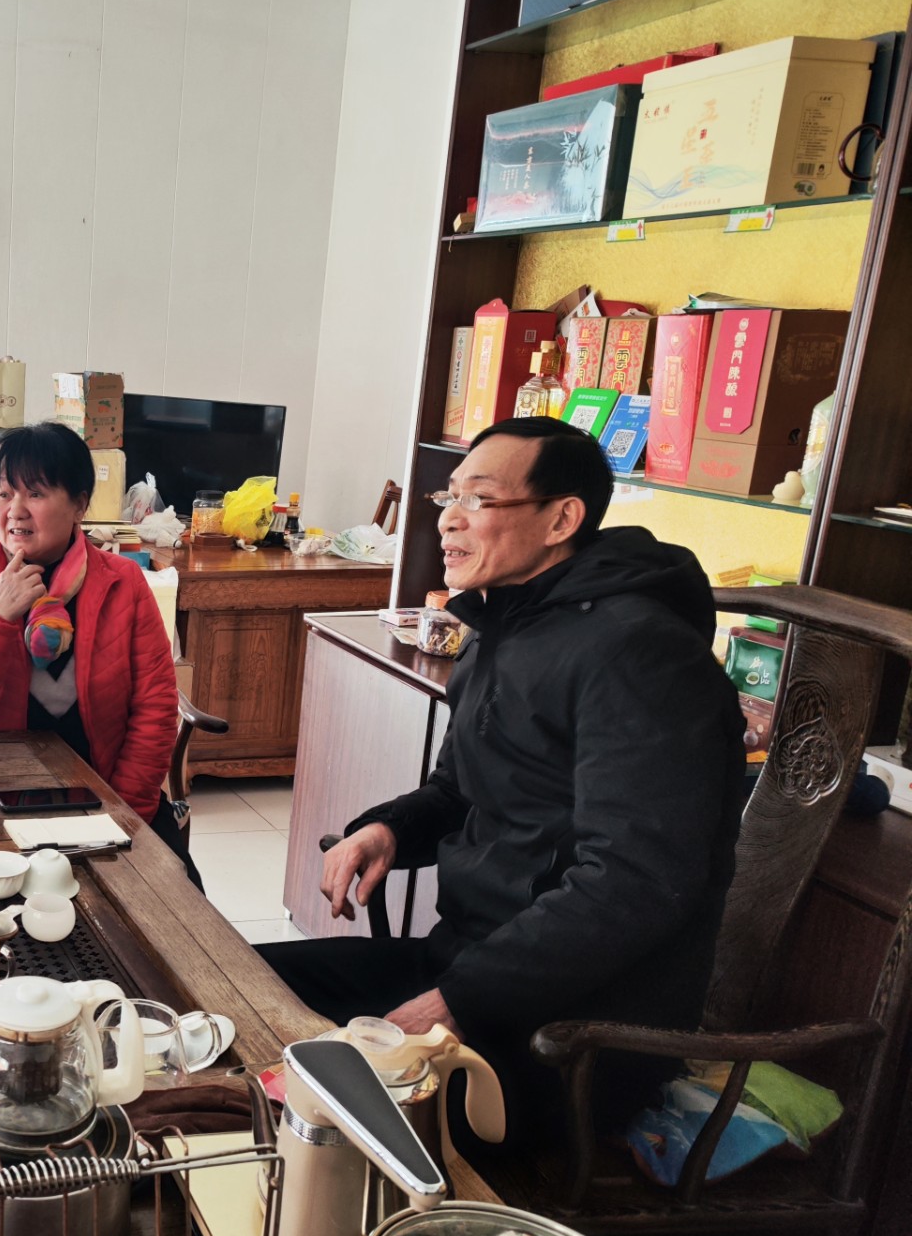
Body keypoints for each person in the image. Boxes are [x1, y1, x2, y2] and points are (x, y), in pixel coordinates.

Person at [266, 416, 745, 1143]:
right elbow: (458, 791)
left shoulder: (641, 654)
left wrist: (459, 1003)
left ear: (561, 519)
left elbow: (634, 882)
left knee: (304, 1108)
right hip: (466, 966)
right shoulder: (504, 626)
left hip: (572, 1036)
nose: (449, 520)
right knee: (232, 991)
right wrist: (386, 829)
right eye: (448, 497)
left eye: (479, 500)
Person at [0, 423, 191, 877]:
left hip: (110, 793)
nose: (15, 510)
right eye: (5, 493)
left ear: (80, 505)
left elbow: (155, 708)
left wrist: (120, 813)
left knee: (181, 903)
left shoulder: (123, 584)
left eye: (36, 493)